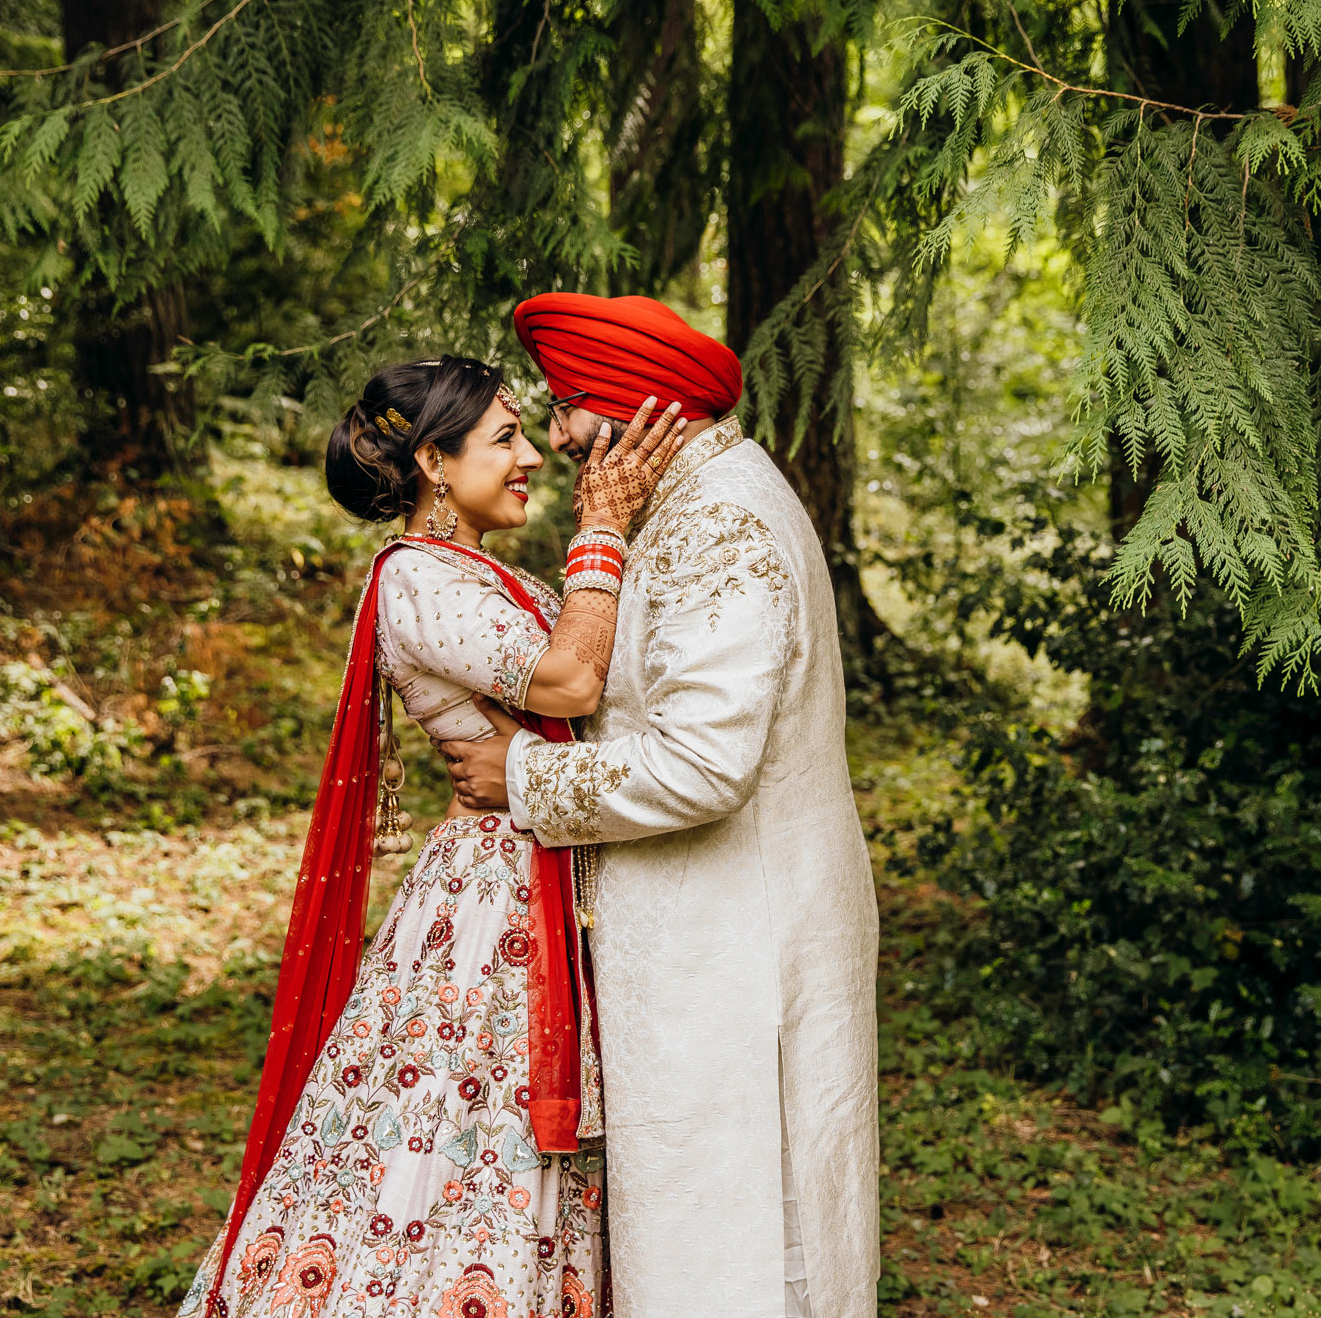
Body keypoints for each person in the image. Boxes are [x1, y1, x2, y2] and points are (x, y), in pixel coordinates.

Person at [176, 355, 686, 1318]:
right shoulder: (416, 580)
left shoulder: (483, 573)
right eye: (505, 437)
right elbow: (570, 683)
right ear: (433, 465)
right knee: (460, 1136)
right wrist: (605, 526)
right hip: (491, 907)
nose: (531, 453)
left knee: (526, 1151)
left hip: (548, 859)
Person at [439, 294, 881, 1318]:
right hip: (718, 935)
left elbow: (698, 765)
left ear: (639, 415)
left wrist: (521, 777)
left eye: (566, 412)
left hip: (734, 951)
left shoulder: (718, 523)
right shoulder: (696, 502)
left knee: (731, 1239)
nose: (553, 439)